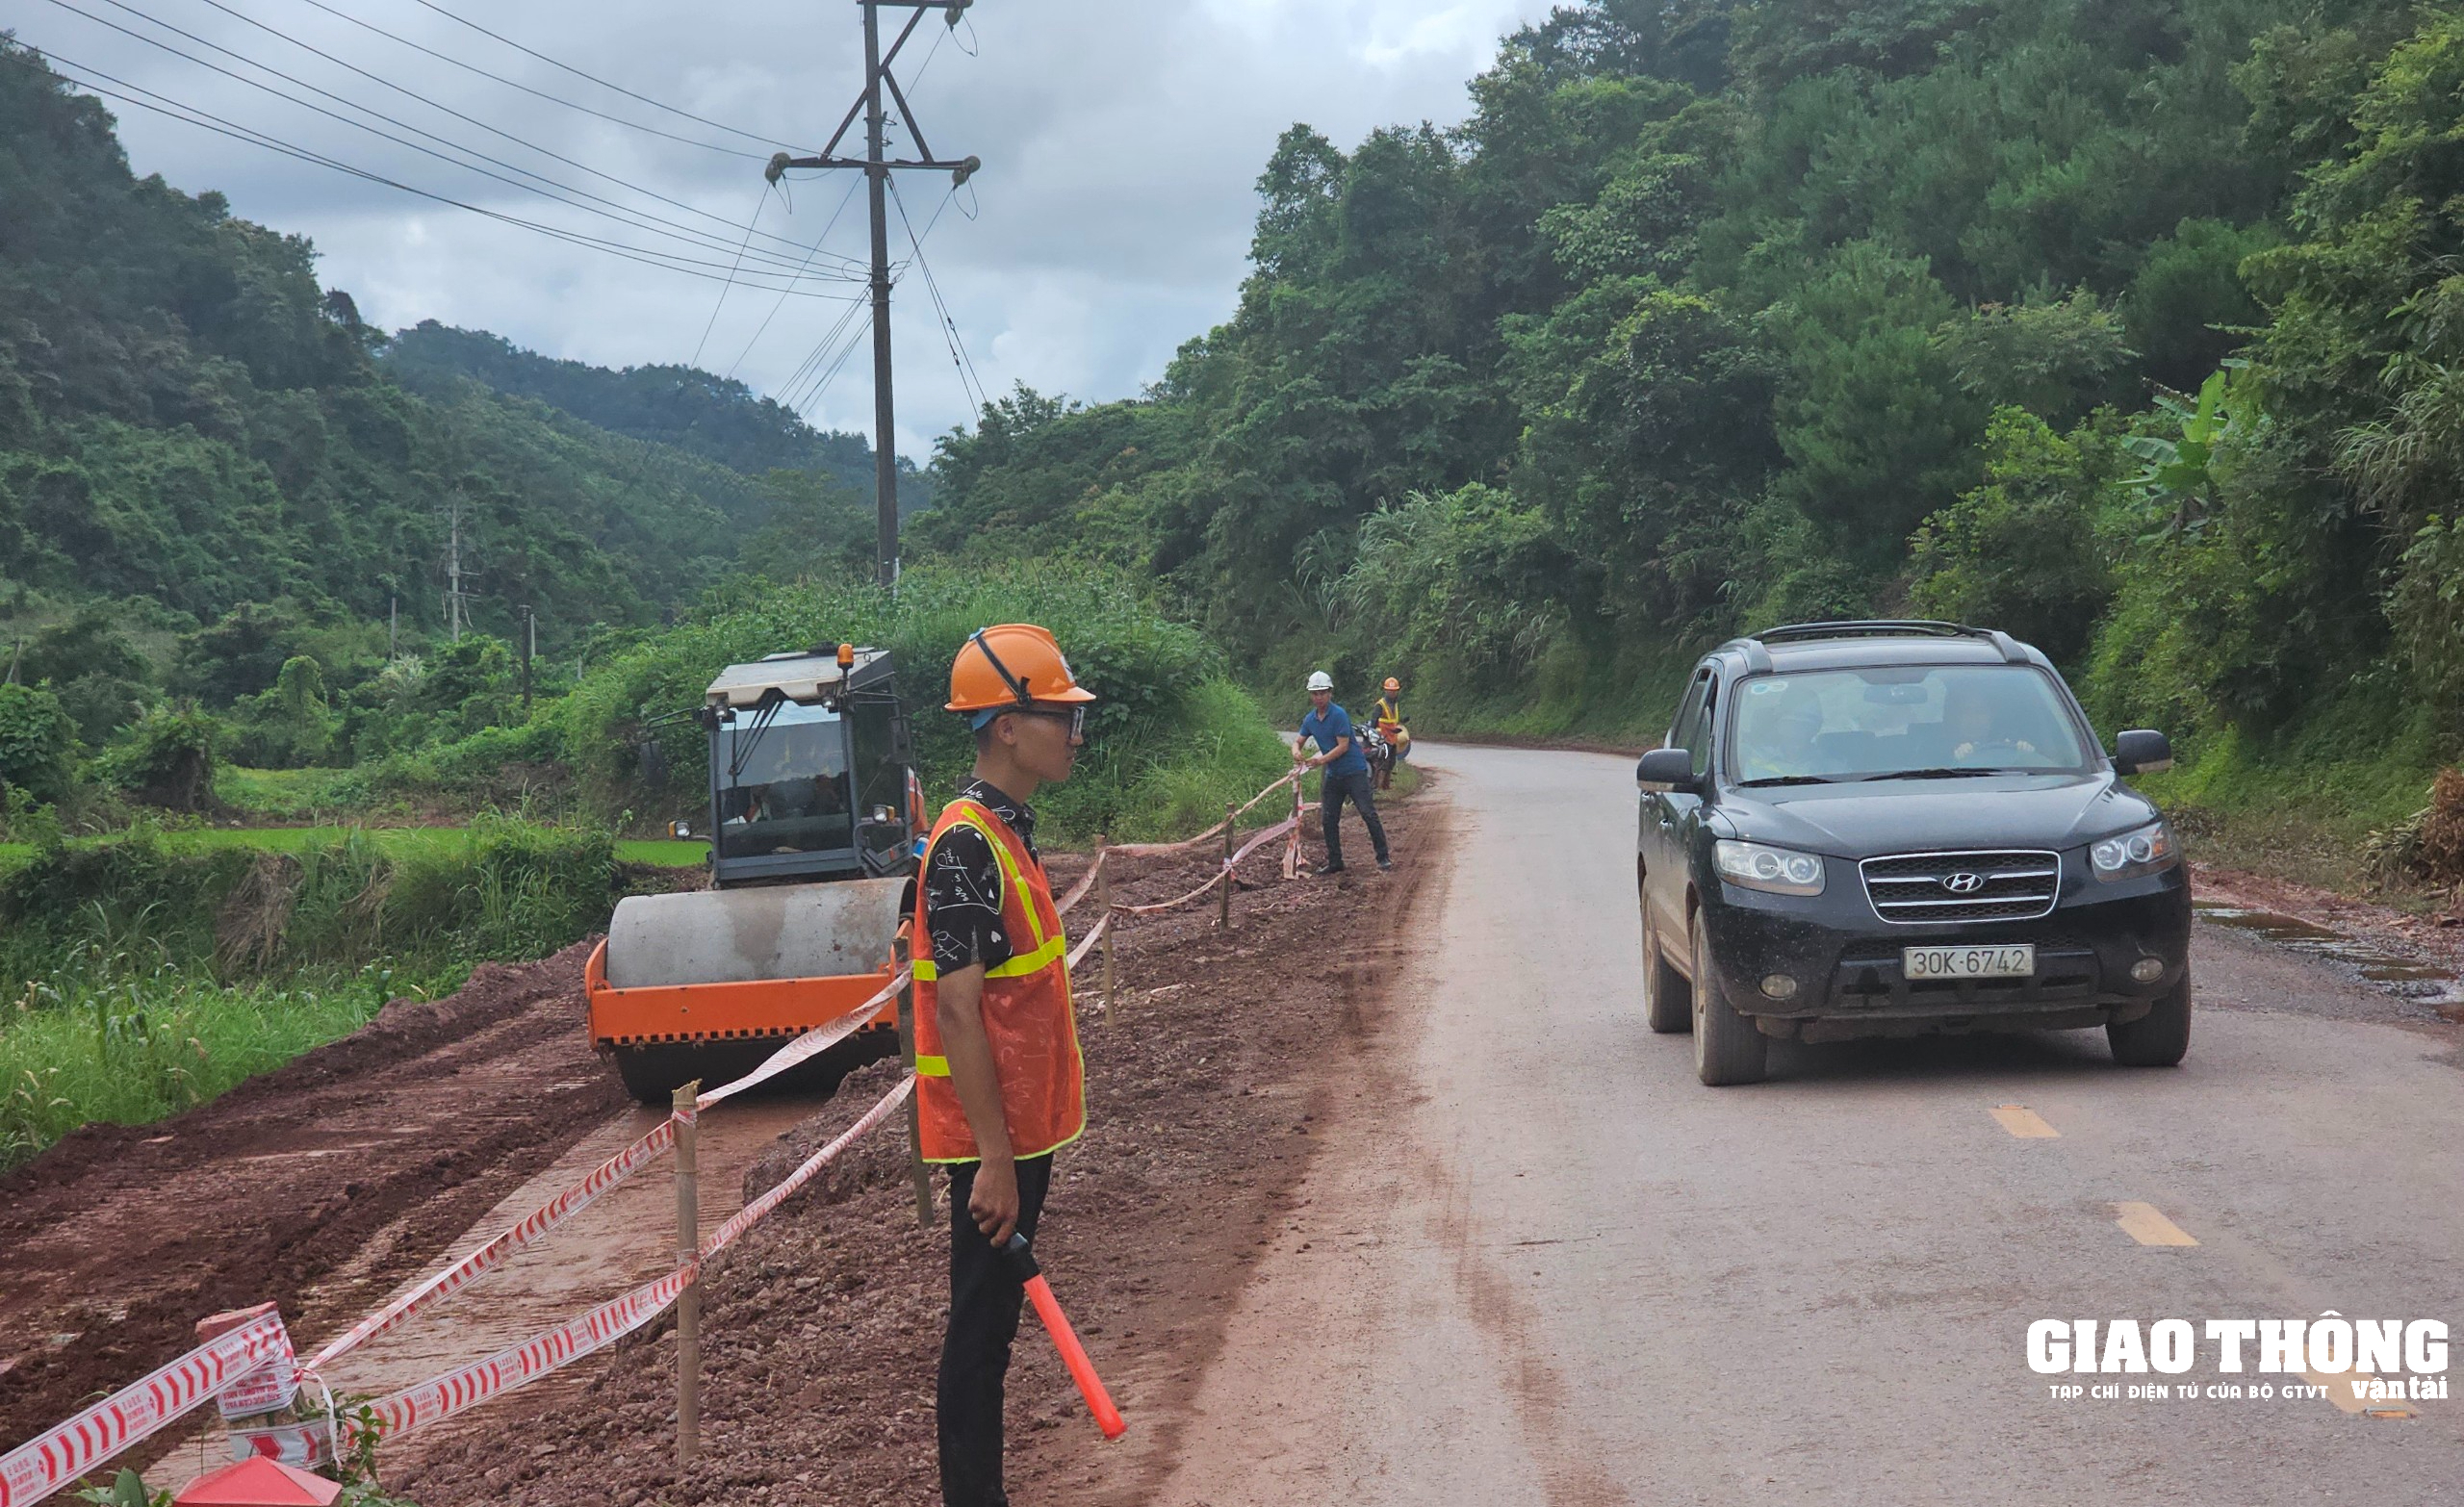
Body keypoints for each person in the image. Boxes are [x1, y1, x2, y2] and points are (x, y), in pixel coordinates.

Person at [912, 623, 1095, 1507]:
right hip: (996, 1141)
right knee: (979, 1338)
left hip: (1019, 1131)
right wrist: (991, 1157)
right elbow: (957, 1005)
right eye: (1057, 713)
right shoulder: (964, 846)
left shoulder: (1002, 833)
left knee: (992, 1333)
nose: (1072, 730)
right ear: (1004, 726)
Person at [1295, 670, 1391, 873]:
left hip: (1353, 771)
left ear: (1330, 693)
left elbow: (1343, 746)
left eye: (1322, 693)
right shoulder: (1310, 719)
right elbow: (1298, 741)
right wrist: (1296, 752)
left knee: (1367, 813)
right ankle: (1335, 861)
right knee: (1329, 819)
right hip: (1334, 774)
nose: (1318, 697)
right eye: (1315, 693)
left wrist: (1320, 760)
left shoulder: (1338, 715)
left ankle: (1383, 857)